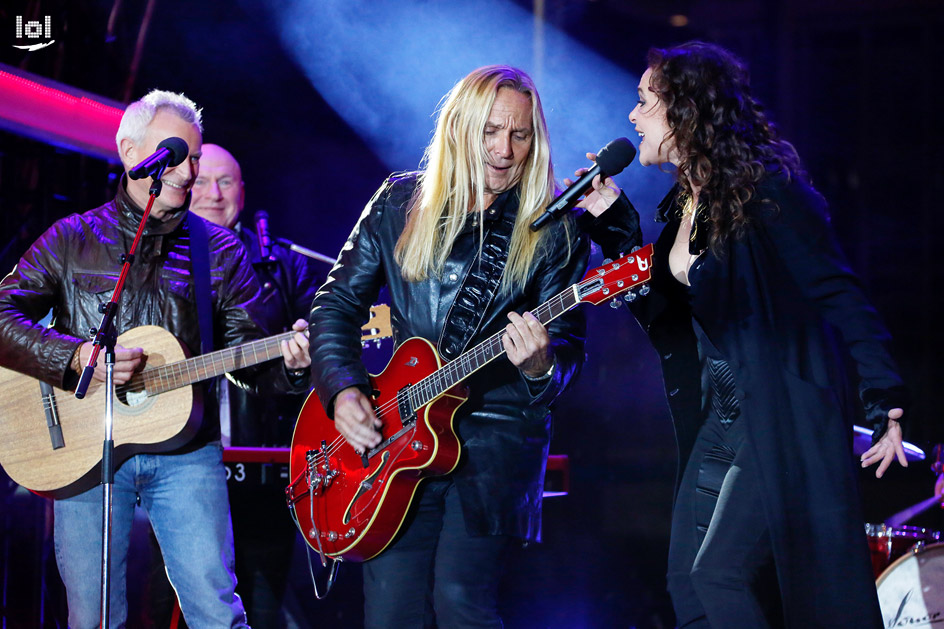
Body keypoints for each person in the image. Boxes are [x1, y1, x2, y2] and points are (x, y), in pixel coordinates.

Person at [575, 42, 908, 627]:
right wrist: (616, 220)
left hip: (773, 410)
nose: (633, 116)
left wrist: (886, 402)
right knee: (686, 584)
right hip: (719, 417)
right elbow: (666, 307)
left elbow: (843, 296)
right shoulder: (686, 206)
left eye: (645, 101)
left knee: (719, 574)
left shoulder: (769, 195)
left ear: (685, 112)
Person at [0, 90, 311, 628]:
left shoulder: (220, 249)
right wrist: (75, 358)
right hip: (82, 452)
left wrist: (292, 361)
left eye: (194, 155)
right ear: (128, 151)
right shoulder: (73, 239)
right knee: (95, 619)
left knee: (216, 612)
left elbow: (250, 362)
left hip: (186, 453)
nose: (191, 170)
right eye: (177, 153)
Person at [307, 65, 589, 627]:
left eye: (520, 134)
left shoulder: (557, 230)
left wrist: (540, 366)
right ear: (460, 128)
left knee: (463, 604)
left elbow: (570, 353)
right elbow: (334, 305)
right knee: (391, 613)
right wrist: (342, 390)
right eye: (490, 131)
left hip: (494, 443)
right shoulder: (398, 203)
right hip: (399, 438)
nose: (504, 150)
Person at [190, 143, 322, 626]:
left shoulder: (284, 266)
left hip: (263, 469)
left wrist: (301, 359)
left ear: (243, 193)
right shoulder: (161, 261)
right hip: (178, 464)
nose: (213, 193)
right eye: (202, 181)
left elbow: (318, 349)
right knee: (172, 605)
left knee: (263, 603)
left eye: (225, 182)